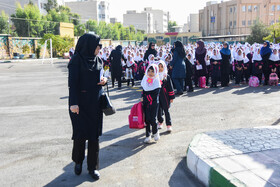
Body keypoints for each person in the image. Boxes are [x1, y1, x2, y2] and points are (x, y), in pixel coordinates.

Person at [68, 33, 107, 180]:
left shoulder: (98, 60)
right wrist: (73, 103)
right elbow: (73, 84)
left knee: (94, 136)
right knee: (80, 135)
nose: (99, 48)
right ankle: (78, 161)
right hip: (79, 104)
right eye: (98, 45)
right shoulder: (76, 60)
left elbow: (102, 75)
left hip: (95, 103)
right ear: (89, 45)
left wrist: (104, 80)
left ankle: (93, 167)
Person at [141, 64, 161, 144]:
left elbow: (155, 95)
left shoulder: (156, 81)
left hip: (153, 103)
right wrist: (142, 97)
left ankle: (155, 132)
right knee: (146, 120)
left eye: (152, 71)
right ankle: (148, 135)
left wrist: (145, 98)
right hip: (145, 103)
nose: (150, 73)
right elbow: (143, 90)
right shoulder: (145, 79)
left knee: (152, 119)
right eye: (149, 70)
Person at [157, 60, 175, 132]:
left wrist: (171, 97)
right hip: (158, 96)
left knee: (166, 110)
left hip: (165, 96)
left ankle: (169, 125)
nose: (160, 68)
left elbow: (170, 87)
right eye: (159, 67)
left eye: (162, 67)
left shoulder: (166, 76)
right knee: (158, 110)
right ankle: (160, 122)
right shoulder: (155, 76)